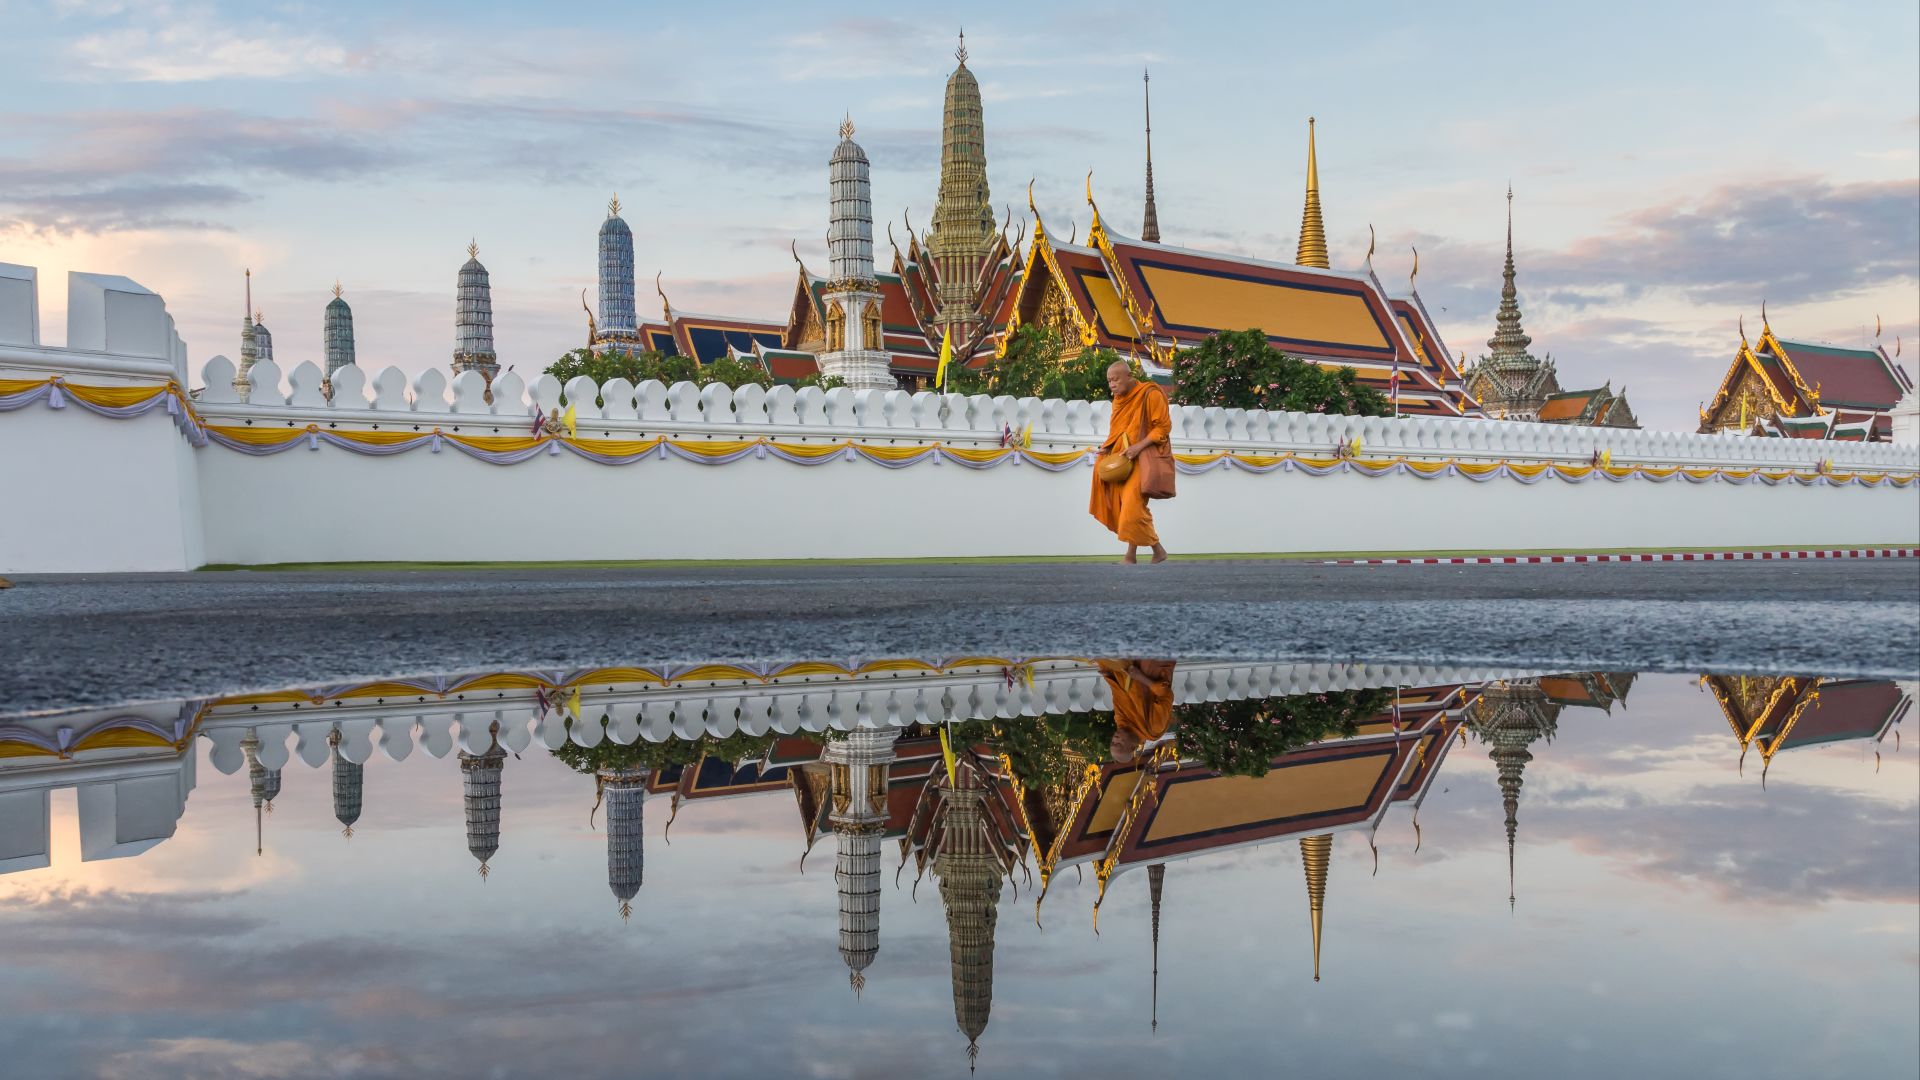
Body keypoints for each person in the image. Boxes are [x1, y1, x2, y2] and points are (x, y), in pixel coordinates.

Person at [1089, 360, 1172, 564]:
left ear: (1129, 376)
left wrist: (1138, 447)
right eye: (1109, 381)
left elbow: (1162, 428)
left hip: (1144, 456)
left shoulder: (1150, 393)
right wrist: (1107, 447)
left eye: (1115, 379)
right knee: (1129, 505)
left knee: (1132, 505)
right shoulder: (1118, 399)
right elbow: (1117, 429)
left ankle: (1133, 555)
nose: (1112, 385)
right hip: (1124, 458)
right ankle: (1154, 552)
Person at [1100, 659, 1177, 762]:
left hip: (1128, 669)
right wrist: (1141, 677)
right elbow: (1166, 694)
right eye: (1118, 744)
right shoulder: (1153, 728)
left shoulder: (1121, 723)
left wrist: (1109, 676)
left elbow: (1118, 693)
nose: (1115, 738)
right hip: (1152, 666)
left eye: (1112, 742)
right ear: (1132, 747)